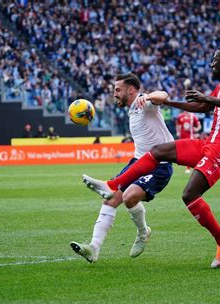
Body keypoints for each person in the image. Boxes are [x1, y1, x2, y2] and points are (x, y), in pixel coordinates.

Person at [82, 46, 220, 269]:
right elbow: (202, 107)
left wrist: (203, 97)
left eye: (215, 61)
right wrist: (170, 104)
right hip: (210, 144)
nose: (211, 64)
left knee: (189, 195)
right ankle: (112, 184)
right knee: (159, 151)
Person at [71, 73, 174, 263]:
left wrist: (148, 96)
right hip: (137, 163)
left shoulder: (145, 104)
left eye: (118, 90)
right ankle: (93, 249)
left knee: (129, 197)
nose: (115, 94)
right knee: (110, 200)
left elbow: (164, 95)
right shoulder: (131, 110)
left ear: (131, 90)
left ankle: (143, 233)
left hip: (160, 165)